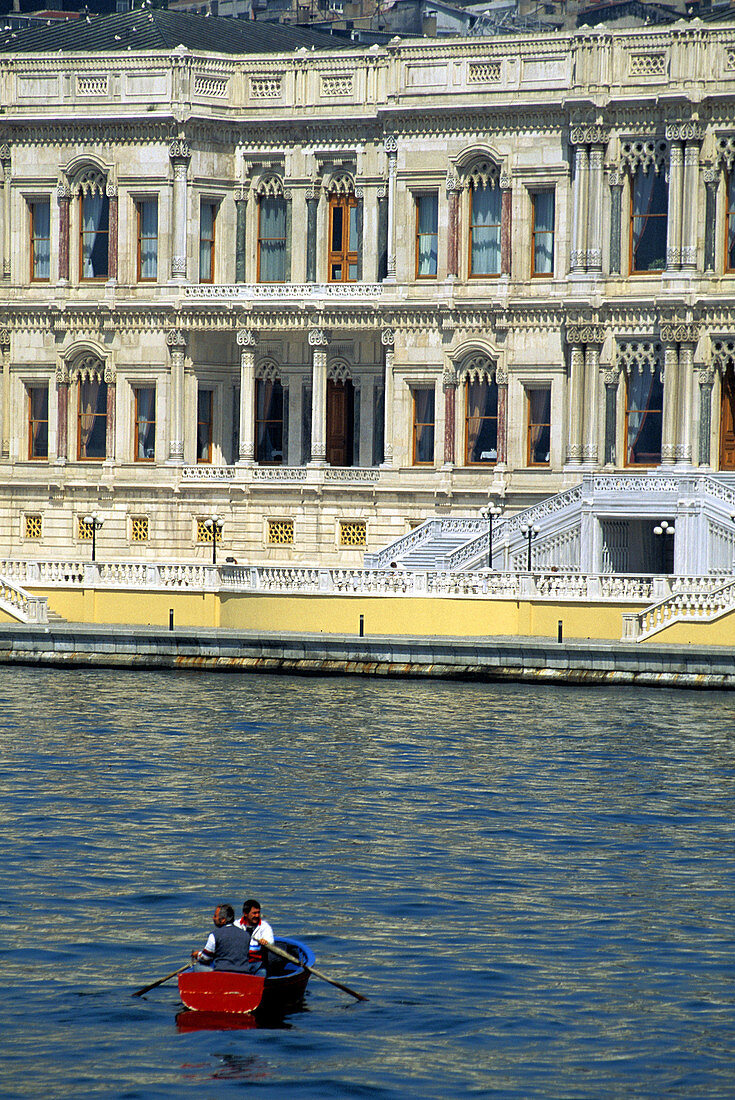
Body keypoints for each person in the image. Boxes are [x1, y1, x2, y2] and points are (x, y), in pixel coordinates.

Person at [191, 904, 253, 973]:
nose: (213, 918)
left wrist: (197, 954)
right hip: (243, 973)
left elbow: (206, 958)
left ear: (223, 920)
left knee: (197, 967)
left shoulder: (214, 935)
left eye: (215, 916)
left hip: (223, 974)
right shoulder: (246, 935)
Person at [235, 898, 275, 976]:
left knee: (262, 974)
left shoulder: (264, 926)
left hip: (258, 965)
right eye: (254, 913)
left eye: (258, 913)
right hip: (240, 964)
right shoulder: (236, 925)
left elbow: (271, 942)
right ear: (245, 914)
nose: (257, 915)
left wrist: (265, 941)